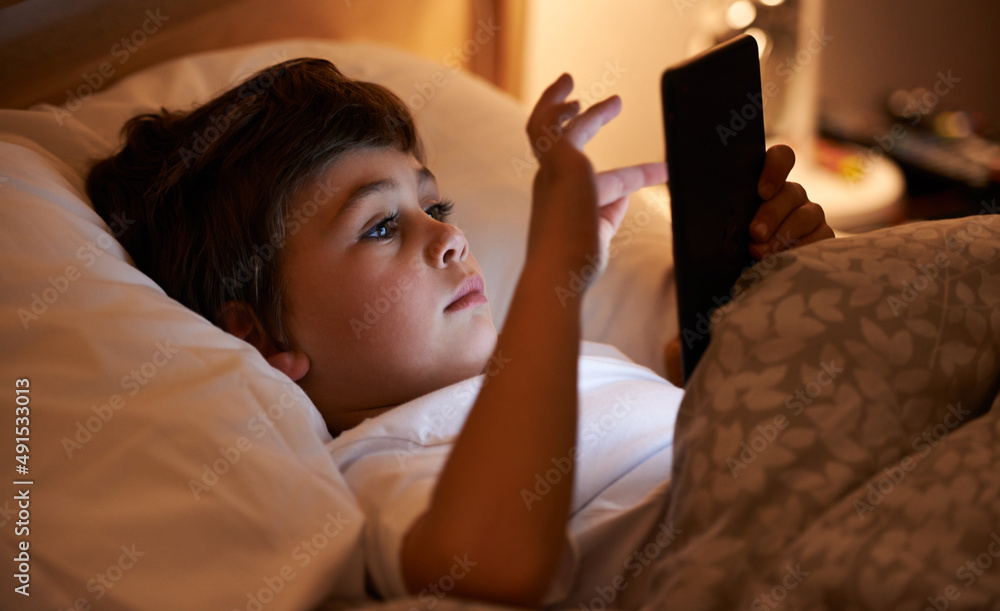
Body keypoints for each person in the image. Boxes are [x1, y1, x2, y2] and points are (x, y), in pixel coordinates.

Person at [86, 58, 833, 608]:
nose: (448, 238)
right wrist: (554, 274)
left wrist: (789, 285)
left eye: (437, 206)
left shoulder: (579, 364)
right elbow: (494, 570)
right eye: (381, 225)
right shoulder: (387, 461)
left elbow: (722, 411)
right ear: (259, 337)